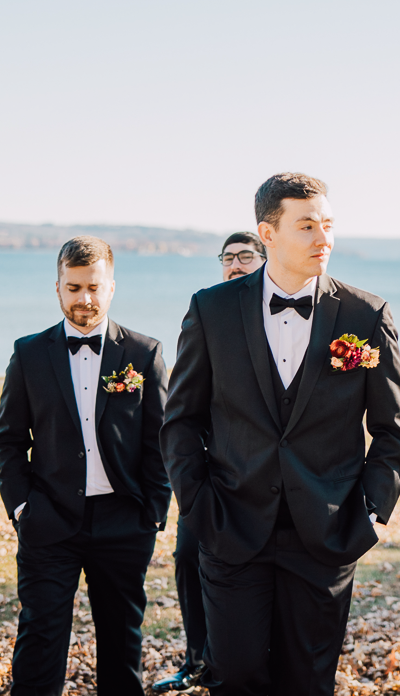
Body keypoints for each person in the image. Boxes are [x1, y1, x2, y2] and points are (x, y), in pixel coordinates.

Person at [161, 173, 400, 696]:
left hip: (326, 535)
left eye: (328, 225)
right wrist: (199, 506)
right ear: (268, 233)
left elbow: (393, 430)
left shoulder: (366, 315)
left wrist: (370, 512)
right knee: (235, 677)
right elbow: (180, 421)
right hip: (230, 529)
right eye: (307, 226)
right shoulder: (212, 309)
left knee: (309, 682)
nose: (324, 238)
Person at [0, 236, 171, 696]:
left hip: (124, 521)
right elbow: (10, 441)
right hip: (48, 519)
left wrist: (153, 511)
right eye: (73, 288)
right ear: (57, 289)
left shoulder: (144, 354)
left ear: (111, 288)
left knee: (121, 643)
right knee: (39, 639)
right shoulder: (29, 354)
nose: (84, 299)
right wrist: (21, 508)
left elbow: (161, 440)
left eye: (93, 287)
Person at [150, 230, 266, 694]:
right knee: (186, 559)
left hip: (273, 485)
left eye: (244, 256)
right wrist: (191, 485)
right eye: (227, 258)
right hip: (210, 482)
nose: (234, 265)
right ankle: (198, 659)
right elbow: (183, 408)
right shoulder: (210, 314)